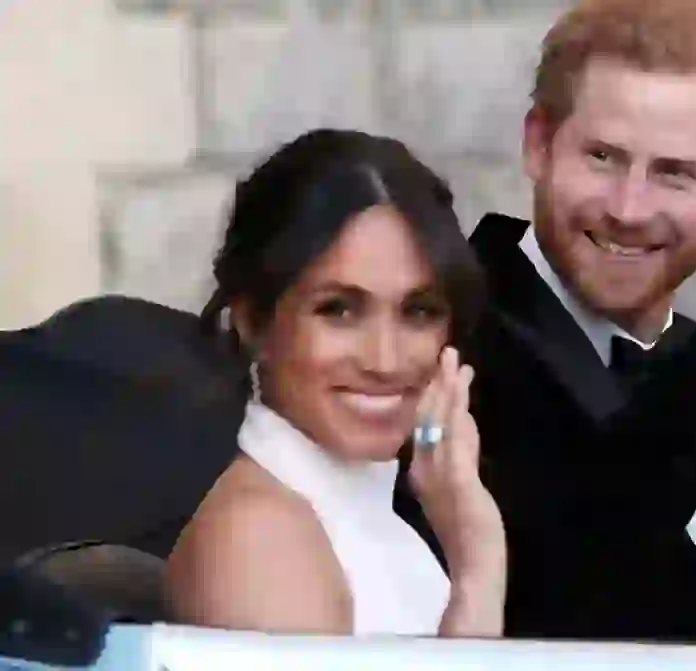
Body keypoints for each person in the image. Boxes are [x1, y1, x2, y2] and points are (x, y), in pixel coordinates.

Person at [410, 0, 696, 643]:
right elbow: (579, 569)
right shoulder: (449, 338)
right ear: (538, 145)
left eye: (674, 173)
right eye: (603, 157)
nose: (630, 209)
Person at [163, 129, 507, 637]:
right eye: (339, 310)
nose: (385, 360)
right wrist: (479, 574)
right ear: (252, 320)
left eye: (418, 311)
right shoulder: (261, 538)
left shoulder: (369, 518)